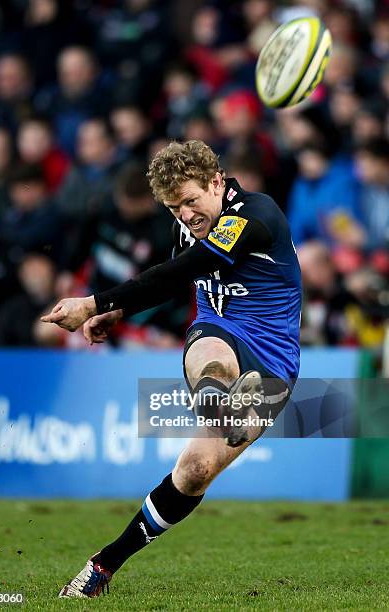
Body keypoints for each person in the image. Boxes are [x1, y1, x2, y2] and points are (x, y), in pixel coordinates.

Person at [41, 140, 301, 598]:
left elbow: (192, 266)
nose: (184, 215)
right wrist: (118, 312)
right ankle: (101, 568)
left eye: (190, 201)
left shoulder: (254, 216)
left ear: (216, 182)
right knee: (214, 360)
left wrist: (94, 303)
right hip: (217, 330)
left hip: (275, 359)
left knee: (195, 471)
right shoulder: (193, 223)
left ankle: (232, 407)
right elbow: (177, 271)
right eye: (174, 207)